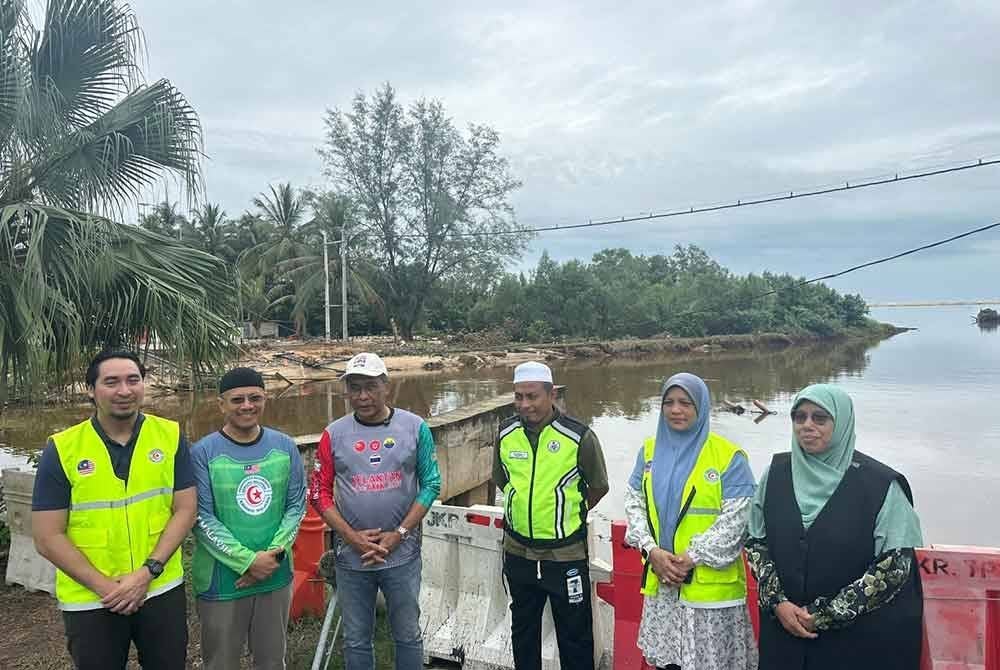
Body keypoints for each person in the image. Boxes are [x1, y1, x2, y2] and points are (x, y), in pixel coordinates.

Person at [31, 350, 197, 670]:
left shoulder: (169, 436)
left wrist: (147, 573)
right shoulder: (63, 449)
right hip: (93, 599)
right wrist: (106, 588)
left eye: (133, 380)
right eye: (111, 382)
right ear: (91, 390)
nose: (124, 390)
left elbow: (185, 510)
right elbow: (47, 535)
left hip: (159, 589)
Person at [746, 384, 924, 670]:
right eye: (799, 417)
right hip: (784, 638)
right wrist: (777, 601)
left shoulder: (881, 485)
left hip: (858, 643)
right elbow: (756, 541)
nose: (807, 425)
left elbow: (894, 569)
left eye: (820, 418)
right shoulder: (776, 474)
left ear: (840, 423)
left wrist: (824, 614)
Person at [309, 352, 441, 670]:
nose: (363, 396)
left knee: (408, 633)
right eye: (355, 388)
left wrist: (399, 534)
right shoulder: (333, 434)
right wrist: (351, 537)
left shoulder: (414, 427)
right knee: (355, 638)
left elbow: (431, 485)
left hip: (402, 554)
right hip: (352, 557)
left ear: (387, 387)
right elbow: (318, 493)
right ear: (346, 391)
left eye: (370, 387)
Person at [624, 372, 758, 670]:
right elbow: (634, 503)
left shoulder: (728, 457)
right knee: (667, 664)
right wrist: (651, 550)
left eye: (685, 402)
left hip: (709, 592)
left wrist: (691, 557)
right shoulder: (648, 451)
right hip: (664, 586)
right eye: (669, 402)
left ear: (701, 407)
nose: (676, 410)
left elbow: (738, 519)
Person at [493, 360, 609, 670]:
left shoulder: (579, 436)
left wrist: (565, 513)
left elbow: (598, 486)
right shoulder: (505, 433)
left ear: (552, 393)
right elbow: (502, 480)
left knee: (575, 636)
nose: (525, 405)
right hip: (518, 552)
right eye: (519, 397)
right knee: (524, 631)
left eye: (532, 396)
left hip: (565, 555)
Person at [191, 367, 306, 670]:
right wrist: (248, 562)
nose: (247, 406)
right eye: (237, 399)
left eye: (255, 398)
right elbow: (200, 516)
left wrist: (272, 557)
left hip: (275, 575)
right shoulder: (203, 452)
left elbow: (296, 506)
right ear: (221, 404)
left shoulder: (284, 447)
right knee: (221, 662)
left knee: (271, 661)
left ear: (265, 399)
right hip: (222, 580)